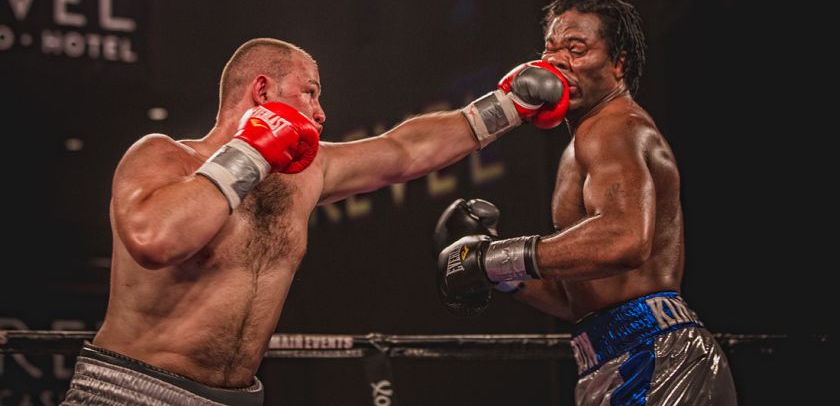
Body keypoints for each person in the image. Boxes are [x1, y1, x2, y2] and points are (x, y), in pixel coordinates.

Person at [61, 37, 568, 405]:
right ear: (262, 90)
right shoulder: (164, 156)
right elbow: (155, 239)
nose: (321, 113)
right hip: (131, 391)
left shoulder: (304, 177)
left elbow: (403, 150)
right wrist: (249, 151)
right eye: (309, 92)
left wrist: (507, 106)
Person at [434, 0, 738, 405]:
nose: (558, 60)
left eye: (576, 49)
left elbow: (624, 240)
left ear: (618, 63)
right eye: (551, 49)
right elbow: (575, 298)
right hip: (613, 357)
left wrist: (493, 258)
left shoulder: (614, 127)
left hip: (654, 358)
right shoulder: (583, 142)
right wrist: (499, 275)